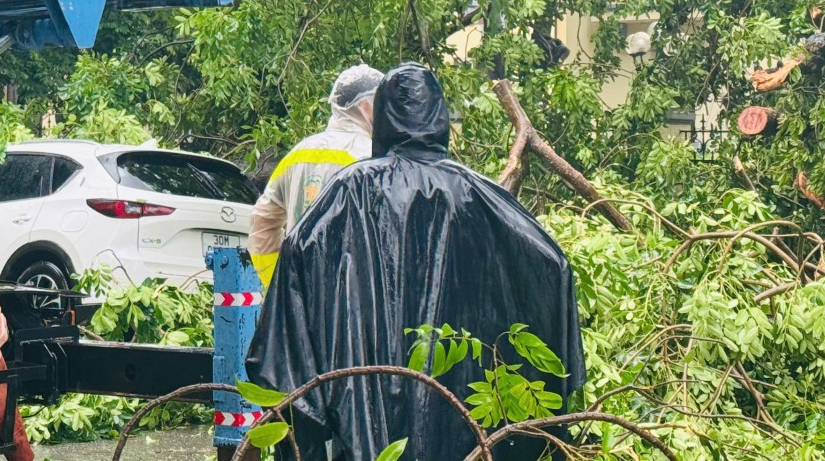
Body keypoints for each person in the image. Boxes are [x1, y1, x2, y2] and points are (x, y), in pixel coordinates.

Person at [247, 63, 585, 461]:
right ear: (440, 120)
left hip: (366, 418)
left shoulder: (348, 191)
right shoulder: (479, 194)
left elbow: (291, 255)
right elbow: (552, 265)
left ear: (384, 119)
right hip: (464, 423)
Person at [248, 64, 383, 287]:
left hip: (300, 294)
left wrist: (277, 281)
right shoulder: (371, 158)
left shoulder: (298, 154)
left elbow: (262, 221)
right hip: (349, 298)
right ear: (365, 106)